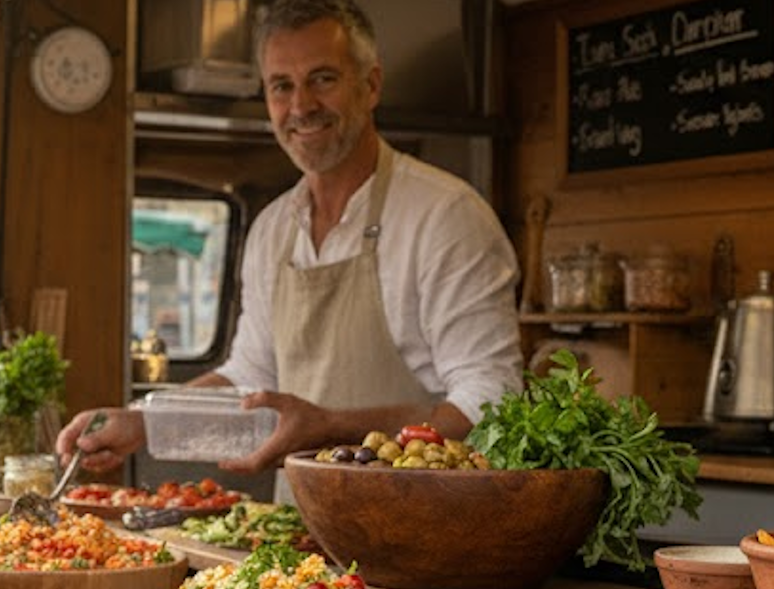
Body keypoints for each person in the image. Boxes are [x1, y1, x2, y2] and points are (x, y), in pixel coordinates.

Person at [58, 0, 523, 483]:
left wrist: (332, 428)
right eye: (282, 86)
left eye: (323, 78)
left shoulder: (445, 216)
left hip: (416, 532)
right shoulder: (273, 229)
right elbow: (249, 375)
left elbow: (491, 400)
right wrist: (141, 421)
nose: (301, 106)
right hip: (300, 532)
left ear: (371, 86)